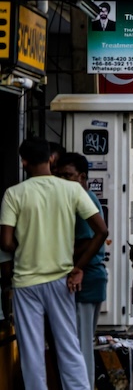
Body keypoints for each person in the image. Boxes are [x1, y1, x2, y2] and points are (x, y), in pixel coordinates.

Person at [0, 137, 109, 390]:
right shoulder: (72, 190)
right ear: (51, 159)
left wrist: (27, 247)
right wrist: (79, 266)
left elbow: (6, 242)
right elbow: (101, 231)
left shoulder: (14, 194)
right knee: (69, 347)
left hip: (26, 283)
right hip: (62, 281)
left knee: (32, 351)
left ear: (24, 161)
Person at [53, 152, 109, 390]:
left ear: (82, 177)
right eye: (59, 176)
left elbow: (88, 240)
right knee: (79, 344)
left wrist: (73, 265)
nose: (63, 181)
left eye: (68, 175)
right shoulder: (77, 199)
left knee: (79, 345)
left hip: (86, 279)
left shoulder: (82, 200)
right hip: (90, 278)